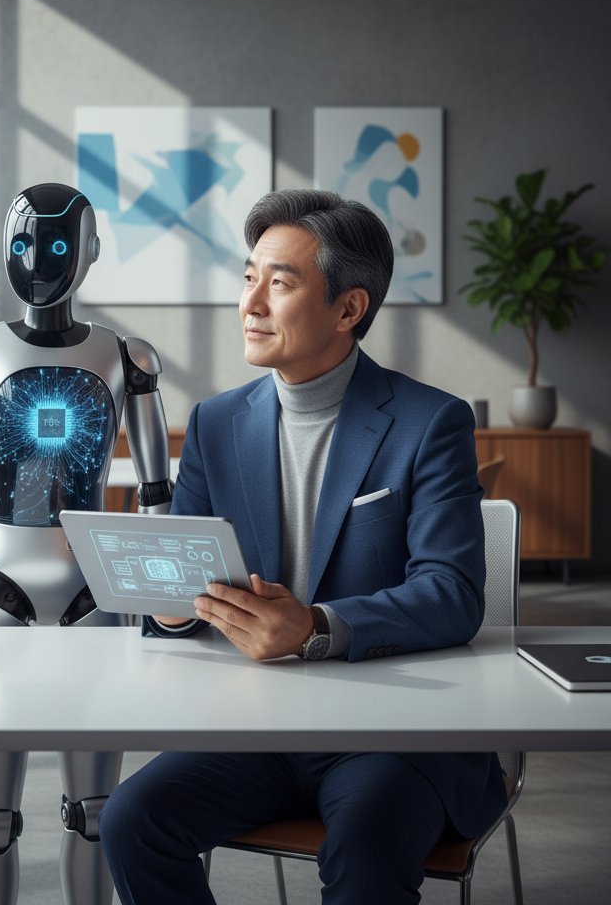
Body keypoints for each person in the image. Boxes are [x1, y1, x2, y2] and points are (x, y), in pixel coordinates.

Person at [97, 189, 508, 904]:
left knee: (365, 846)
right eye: (248, 278)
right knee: (132, 819)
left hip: (393, 731)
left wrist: (316, 627)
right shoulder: (216, 422)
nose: (250, 304)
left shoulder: (430, 421)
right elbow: (186, 585)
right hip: (259, 726)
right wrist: (170, 606)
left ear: (349, 309)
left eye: (280, 283)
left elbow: (452, 593)